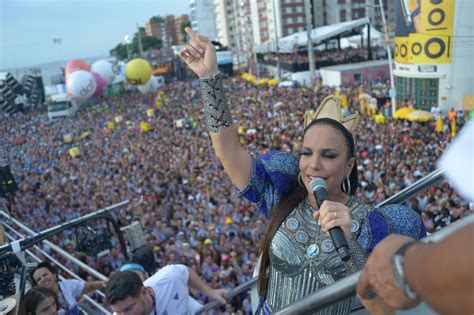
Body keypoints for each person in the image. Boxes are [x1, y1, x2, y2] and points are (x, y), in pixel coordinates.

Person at [179, 27, 426, 314]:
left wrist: (351, 245)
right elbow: (228, 152)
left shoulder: (372, 224)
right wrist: (209, 79)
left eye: (328, 155)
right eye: (307, 153)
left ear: (349, 165)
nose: (314, 164)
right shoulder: (281, 195)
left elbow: (382, 310)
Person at [105, 264, 228, 315]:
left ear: (144, 291)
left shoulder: (169, 278)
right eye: (119, 312)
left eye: (128, 309)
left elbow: (185, 272)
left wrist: (209, 291)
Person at [29, 261, 106, 315]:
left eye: (45, 275)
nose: (43, 279)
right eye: (39, 279)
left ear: (54, 274)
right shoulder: (39, 302)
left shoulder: (67, 285)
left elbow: (89, 286)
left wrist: (103, 283)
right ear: (37, 286)